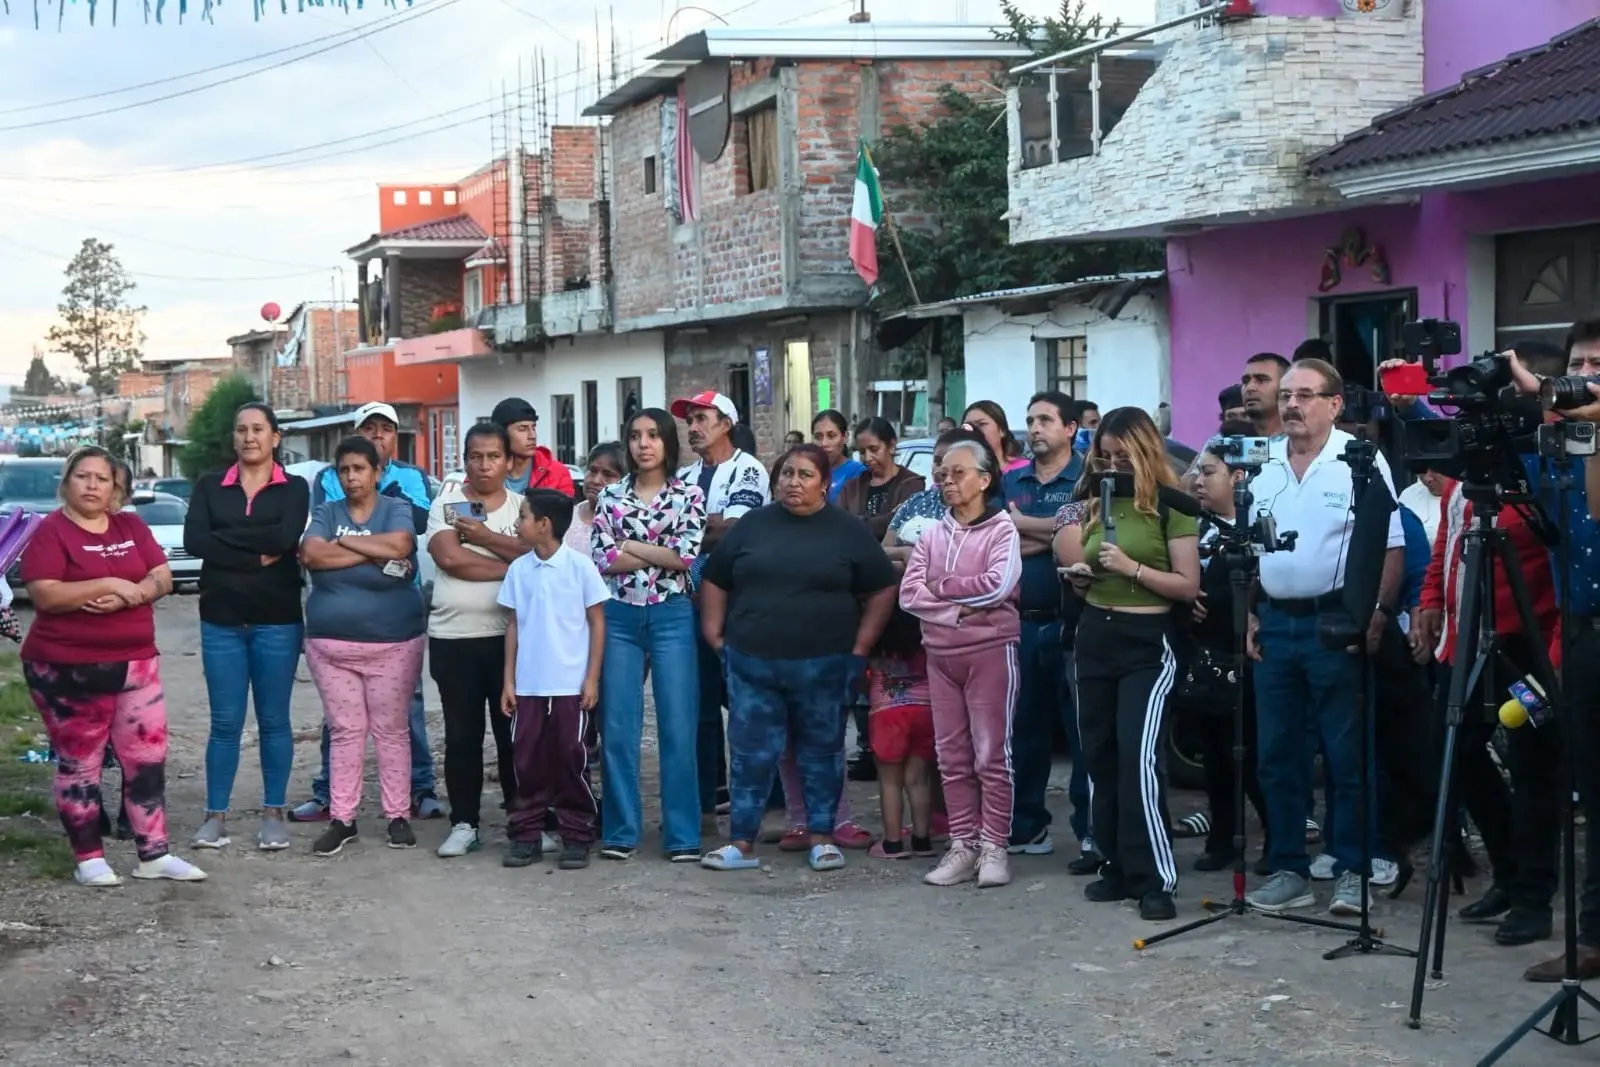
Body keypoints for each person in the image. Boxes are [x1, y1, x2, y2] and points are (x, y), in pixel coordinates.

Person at [1243, 359, 1406, 917]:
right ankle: (1288, 868)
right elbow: (1254, 548)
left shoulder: (1360, 459)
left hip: (1335, 622)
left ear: (1335, 404)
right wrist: (1251, 614)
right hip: (1276, 624)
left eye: (1305, 395)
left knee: (1346, 755)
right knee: (1277, 755)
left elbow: (1390, 546)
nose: (1292, 405)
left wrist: (1376, 614)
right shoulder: (1264, 463)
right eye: (1287, 395)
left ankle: (1352, 870)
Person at [698, 443, 898, 873]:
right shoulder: (752, 525)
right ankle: (741, 842)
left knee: (822, 752)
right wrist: (714, 633)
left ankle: (823, 838)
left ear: (825, 484)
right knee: (750, 754)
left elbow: (883, 587)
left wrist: (861, 646)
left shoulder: (847, 530)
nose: (793, 482)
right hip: (753, 662)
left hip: (825, 663)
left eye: (805, 474)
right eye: (787, 473)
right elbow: (715, 577)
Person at [20, 445, 205, 886]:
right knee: (81, 763)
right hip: (67, 667)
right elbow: (46, 594)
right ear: (67, 482)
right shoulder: (51, 531)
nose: (92, 485)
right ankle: (89, 859)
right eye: (82, 476)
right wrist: (106, 583)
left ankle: (154, 855)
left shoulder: (131, 525)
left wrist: (134, 594)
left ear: (115, 486)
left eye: (101, 478)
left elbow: (162, 576)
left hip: (137, 664)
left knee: (148, 759)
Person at [1056, 407, 1200, 921]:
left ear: (1144, 453)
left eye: (1122, 457)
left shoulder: (1171, 505)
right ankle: (1114, 863)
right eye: (1105, 457)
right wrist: (1081, 577)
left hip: (1147, 640)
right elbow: (1094, 567)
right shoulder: (1097, 501)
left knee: (1138, 760)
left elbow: (1187, 585)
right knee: (1099, 757)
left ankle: (1154, 878)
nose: (1113, 466)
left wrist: (1132, 568)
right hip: (1096, 633)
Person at [292, 401, 441, 822]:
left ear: (395, 437)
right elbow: (314, 550)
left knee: (406, 712)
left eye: (386, 429)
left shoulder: (411, 478)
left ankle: (419, 788)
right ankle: (330, 795)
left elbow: (410, 533)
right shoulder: (328, 479)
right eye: (370, 428)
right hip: (337, 620)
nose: (378, 435)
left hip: (396, 614)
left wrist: (345, 541)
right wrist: (371, 546)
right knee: (342, 720)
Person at [185, 402, 311, 851]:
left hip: (277, 621)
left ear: (275, 437)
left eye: (258, 429)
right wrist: (255, 555)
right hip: (220, 620)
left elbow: (284, 538)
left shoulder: (294, 488)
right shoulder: (209, 486)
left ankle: (273, 813)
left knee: (274, 720)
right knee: (225, 723)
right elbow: (194, 540)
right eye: (241, 429)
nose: (249, 437)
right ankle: (215, 816)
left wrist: (224, 542)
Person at [902, 437, 1023, 888]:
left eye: (958, 472)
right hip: (941, 655)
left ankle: (994, 847)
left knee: (992, 755)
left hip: (990, 653)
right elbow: (910, 593)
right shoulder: (932, 534)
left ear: (984, 480)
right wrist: (958, 610)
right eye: (943, 474)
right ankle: (962, 844)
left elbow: (997, 586)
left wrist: (942, 585)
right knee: (951, 756)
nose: (947, 481)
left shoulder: (1003, 530)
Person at [592, 408, 707, 862]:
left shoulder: (688, 494)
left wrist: (628, 544)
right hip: (619, 615)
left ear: (667, 443)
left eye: (654, 435)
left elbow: (685, 557)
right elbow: (603, 560)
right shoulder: (610, 495)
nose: (644, 444)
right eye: (636, 435)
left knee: (678, 725)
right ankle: (620, 831)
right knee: (618, 727)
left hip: (671, 615)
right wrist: (657, 551)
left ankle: (682, 835)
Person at [425, 422, 529, 859]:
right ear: (464, 460)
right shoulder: (449, 504)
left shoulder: (524, 508)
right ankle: (464, 823)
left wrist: (485, 539)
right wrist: (513, 566)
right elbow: (450, 558)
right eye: (475, 456)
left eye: (493, 457)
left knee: (514, 737)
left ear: (509, 461)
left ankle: (524, 824)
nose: (484, 465)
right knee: (462, 737)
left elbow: (538, 554)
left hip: (511, 641)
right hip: (454, 637)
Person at [674, 391, 771, 832]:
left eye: (702, 418)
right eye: (690, 421)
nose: (693, 427)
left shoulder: (747, 469)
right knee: (700, 706)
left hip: (738, 604)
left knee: (748, 704)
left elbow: (735, 531)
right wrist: (704, 526)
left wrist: (688, 530)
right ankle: (707, 802)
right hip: (690, 603)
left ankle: (766, 801)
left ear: (726, 423)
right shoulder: (685, 475)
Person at [497, 489, 610, 870]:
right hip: (529, 686)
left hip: (569, 686)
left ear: (544, 524)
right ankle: (525, 833)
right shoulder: (519, 570)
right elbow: (513, 625)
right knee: (526, 759)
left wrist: (591, 678)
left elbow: (597, 622)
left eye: (523, 516)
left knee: (571, 757)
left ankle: (576, 835)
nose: (517, 523)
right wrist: (509, 681)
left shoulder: (580, 567)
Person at [1002, 391, 1091, 868]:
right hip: (1020, 622)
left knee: (1082, 733)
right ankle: (1027, 825)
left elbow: (1084, 536)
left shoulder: (1086, 478)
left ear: (1071, 428)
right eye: (1030, 420)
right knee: (1023, 730)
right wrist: (1054, 535)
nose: (1034, 428)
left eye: (1045, 420)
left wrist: (1030, 528)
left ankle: (1091, 830)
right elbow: (999, 538)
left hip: (1072, 624)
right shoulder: (1011, 480)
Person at [1179, 431, 1270, 871]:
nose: (1198, 480)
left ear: (1238, 477)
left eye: (1209, 472)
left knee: (1251, 756)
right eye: (1197, 471)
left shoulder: (1261, 526)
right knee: (1213, 754)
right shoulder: (1194, 526)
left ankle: (1277, 837)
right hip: (1205, 654)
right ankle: (1222, 839)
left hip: (1248, 657)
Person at [836, 417, 925, 540]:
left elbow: (903, 528)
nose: (868, 458)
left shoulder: (912, 484)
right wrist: (890, 517)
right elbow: (838, 525)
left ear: (891, 446)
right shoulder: (851, 487)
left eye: (874, 449)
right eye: (862, 452)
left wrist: (855, 523)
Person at [492, 396, 577, 497]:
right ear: (501, 434)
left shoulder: (557, 473)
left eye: (533, 428)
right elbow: (474, 505)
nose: (532, 436)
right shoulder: (483, 470)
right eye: (522, 429)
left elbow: (565, 506)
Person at [812, 409, 866, 502]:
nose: (824, 443)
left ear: (845, 437)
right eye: (818, 437)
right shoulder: (806, 471)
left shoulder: (858, 472)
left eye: (831, 436)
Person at [963, 400, 1028, 473]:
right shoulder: (960, 473)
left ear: (1002, 430)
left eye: (982, 424)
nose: (974, 430)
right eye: (968, 426)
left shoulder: (1025, 469)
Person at [1240, 353, 1289, 438]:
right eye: (1245, 381)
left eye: (1261, 380)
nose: (1249, 388)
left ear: (1286, 387)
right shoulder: (1228, 441)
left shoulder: (1303, 441)